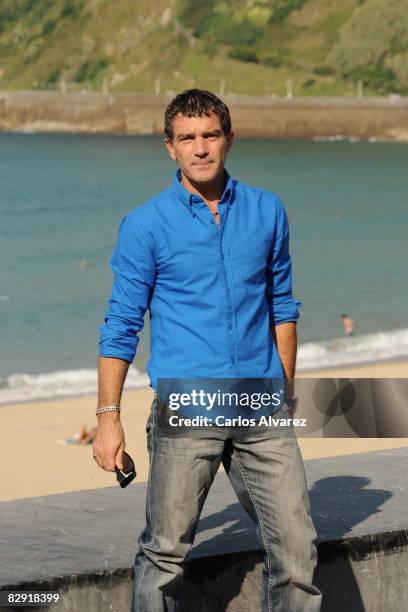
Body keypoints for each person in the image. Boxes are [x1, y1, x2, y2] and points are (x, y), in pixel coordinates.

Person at [93, 89, 322, 611]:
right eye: (187, 138)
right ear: (169, 148)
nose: (200, 148)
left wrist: (283, 392)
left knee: (297, 548)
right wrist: (109, 418)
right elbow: (121, 326)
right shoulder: (145, 225)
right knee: (166, 554)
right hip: (186, 406)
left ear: (229, 140)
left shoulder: (268, 209)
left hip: (259, 406)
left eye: (210, 135)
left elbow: (282, 305)